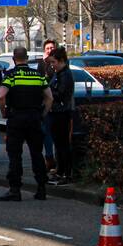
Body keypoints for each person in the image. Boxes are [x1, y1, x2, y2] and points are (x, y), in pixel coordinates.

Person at [0, 46, 53, 201]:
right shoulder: (37, 75)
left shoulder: (11, 75)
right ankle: (41, 189)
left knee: (15, 155)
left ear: (14, 59)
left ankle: (15, 190)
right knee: (37, 153)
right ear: (27, 58)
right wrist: (43, 113)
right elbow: (49, 97)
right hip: (34, 118)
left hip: (16, 118)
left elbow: (1, 96)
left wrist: (4, 112)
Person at [47, 47, 75, 185]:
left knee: (63, 144)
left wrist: (49, 93)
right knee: (58, 144)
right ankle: (60, 171)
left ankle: (66, 173)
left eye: (54, 62)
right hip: (56, 112)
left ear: (61, 61)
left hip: (61, 112)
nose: (52, 65)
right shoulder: (58, 74)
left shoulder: (65, 75)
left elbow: (62, 93)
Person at [38, 39, 58, 173]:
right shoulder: (41, 64)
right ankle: (49, 158)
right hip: (46, 104)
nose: (50, 50)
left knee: (56, 133)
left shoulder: (57, 64)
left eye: (52, 48)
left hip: (56, 105)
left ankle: (56, 159)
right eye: (47, 48)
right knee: (46, 133)